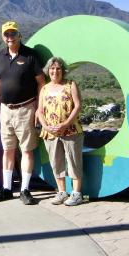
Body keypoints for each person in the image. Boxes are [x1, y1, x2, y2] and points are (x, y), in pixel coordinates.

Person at [0, 21, 45, 205]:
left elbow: (41, 83)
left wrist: (39, 107)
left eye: (13, 33)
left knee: (27, 150)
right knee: (8, 150)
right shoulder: (0, 56)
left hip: (26, 109)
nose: (10, 37)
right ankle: (6, 189)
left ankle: (25, 189)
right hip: (6, 110)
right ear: (3, 37)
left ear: (19, 35)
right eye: (6, 34)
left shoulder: (30, 55)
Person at [36, 57, 84, 206]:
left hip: (70, 130)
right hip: (50, 132)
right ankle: (62, 192)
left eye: (58, 68)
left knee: (73, 160)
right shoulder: (44, 88)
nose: (55, 71)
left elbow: (77, 105)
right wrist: (45, 125)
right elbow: (40, 111)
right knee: (56, 162)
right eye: (52, 68)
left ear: (63, 71)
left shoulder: (71, 85)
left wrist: (66, 123)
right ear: (48, 70)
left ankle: (76, 193)